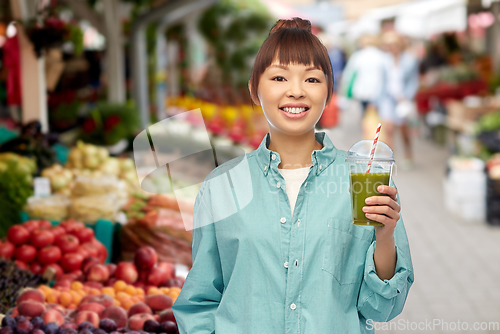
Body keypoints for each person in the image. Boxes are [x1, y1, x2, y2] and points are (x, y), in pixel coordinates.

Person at [172, 18, 414, 334]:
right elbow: (200, 303)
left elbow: (380, 310)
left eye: (312, 80)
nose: (296, 91)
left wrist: (385, 238)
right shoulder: (221, 186)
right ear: (254, 89)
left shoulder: (364, 179)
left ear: (329, 91)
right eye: (279, 77)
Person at [378, 31, 420, 168]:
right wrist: (377, 100)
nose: (392, 47)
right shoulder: (384, 60)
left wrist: (406, 96)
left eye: (394, 44)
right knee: (388, 129)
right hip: (388, 99)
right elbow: (382, 82)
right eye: (389, 45)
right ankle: (390, 159)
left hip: (403, 99)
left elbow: (413, 81)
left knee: (403, 130)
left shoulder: (410, 60)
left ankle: (408, 154)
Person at [340, 34, 387, 116]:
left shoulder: (358, 55)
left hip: (362, 91)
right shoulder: (382, 56)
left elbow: (348, 74)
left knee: (366, 116)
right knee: (378, 117)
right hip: (378, 91)